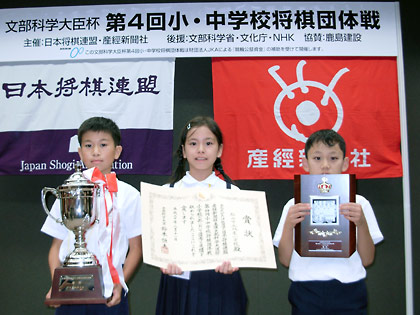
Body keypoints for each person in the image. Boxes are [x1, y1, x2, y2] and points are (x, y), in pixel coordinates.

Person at [273, 129, 383, 315]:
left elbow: (367, 259)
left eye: (333, 158)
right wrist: (289, 225)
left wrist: (361, 224)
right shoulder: (294, 205)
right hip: (305, 291)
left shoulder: (359, 203)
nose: (325, 165)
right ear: (305, 163)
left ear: (345, 163)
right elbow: (285, 260)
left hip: (350, 290)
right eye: (317, 158)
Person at [41, 116, 142, 314]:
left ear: (117, 151)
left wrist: (120, 283)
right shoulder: (68, 190)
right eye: (88, 145)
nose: (95, 151)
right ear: (80, 152)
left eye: (103, 145)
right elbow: (56, 247)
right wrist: (57, 284)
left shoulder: (129, 195)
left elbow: (136, 249)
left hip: (110, 293)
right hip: (70, 293)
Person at [155, 116, 247, 315]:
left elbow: (244, 245)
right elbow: (158, 243)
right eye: (193, 143)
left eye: (209, 143)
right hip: (177, 280)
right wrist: (164, 260)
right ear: (184, 150)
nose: (201, 150)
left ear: (219, 150)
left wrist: (235, 261)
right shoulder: (166, 193)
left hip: (222, 281)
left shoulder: (234, 193)